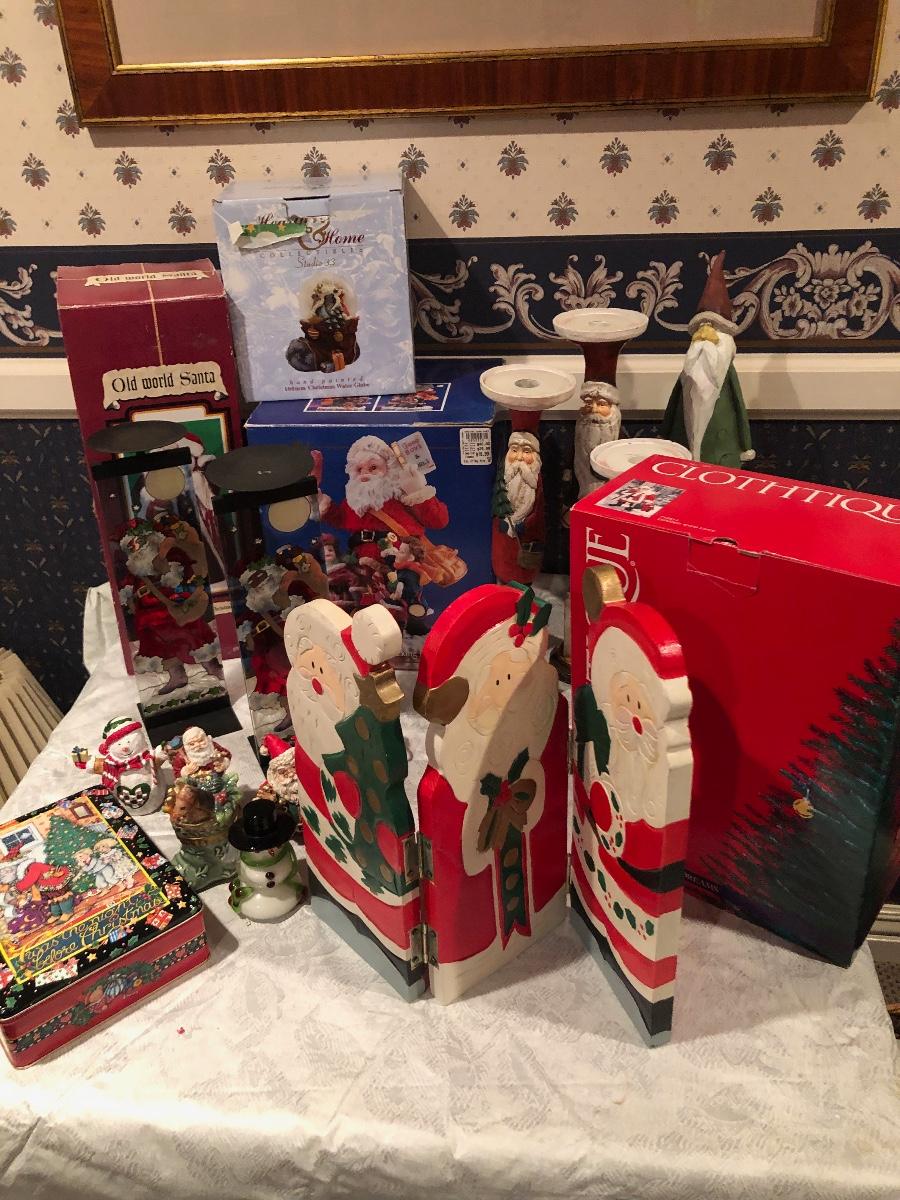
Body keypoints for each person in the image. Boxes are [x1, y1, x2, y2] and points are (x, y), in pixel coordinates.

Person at [660, 251, 755, 468]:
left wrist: (745, 445)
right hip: (680, 457)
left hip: (720, 460)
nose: (705, 339)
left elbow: (739, 408)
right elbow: (673, 406)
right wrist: (664, 436)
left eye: (713, 334)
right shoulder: (687, 376)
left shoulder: (726, 376)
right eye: (701, 333)